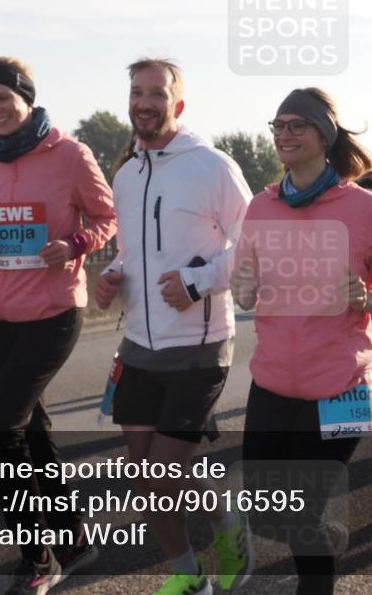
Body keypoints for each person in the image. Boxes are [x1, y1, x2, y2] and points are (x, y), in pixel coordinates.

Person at [0, 57, 117, 593]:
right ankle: (70, 534)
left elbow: (108, 218)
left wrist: (78, 244)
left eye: (2, 98)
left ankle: (36, 554)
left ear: (27, 97)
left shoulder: (69, 154)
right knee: (31, 430)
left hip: (55, 310)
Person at [230, 87, 372, 595]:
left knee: (301, 512)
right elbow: (245, 280)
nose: (284, 135)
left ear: (324, 136)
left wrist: (369, 301)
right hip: (273, 379)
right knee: (269, 517)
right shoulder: (262, 207)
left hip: (342, 384)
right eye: (278, 125)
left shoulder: (366, 207)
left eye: (297, 126)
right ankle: (322, 535)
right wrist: (242, 287)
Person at [94, 58, 253, 595]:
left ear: (177, 105)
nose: (144, 101)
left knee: (161, 476)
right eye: (136, 92)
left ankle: (227, 523)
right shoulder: (125, 172)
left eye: (156, 93)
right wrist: (113, 274)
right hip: (138, 345)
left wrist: (200, 281)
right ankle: (189, 579)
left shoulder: (211, 166)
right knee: (144, 483)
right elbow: (130, 250)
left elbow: (253, 244)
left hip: (200, 346)